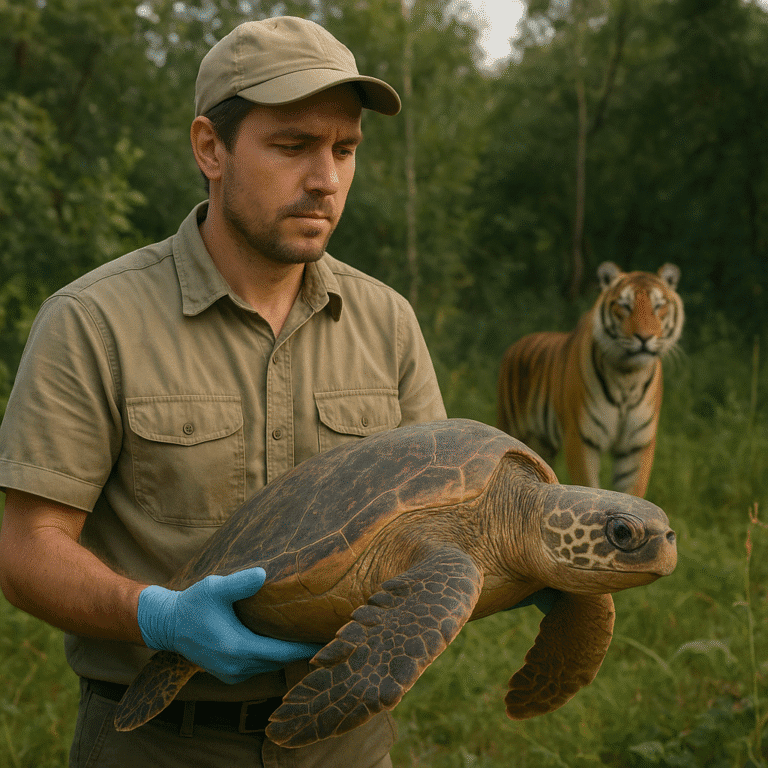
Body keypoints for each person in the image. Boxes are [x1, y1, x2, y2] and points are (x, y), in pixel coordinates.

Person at [0, 16, 446, 768]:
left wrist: (525, 562)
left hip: (346, 739)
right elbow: (25, 552)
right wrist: (159, 617)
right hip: (157, 739)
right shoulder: (94, 322)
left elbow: (438, 518)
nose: (326, 179)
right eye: (293, 146)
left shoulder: (388, 323)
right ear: (210, 148)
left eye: (344, 149)